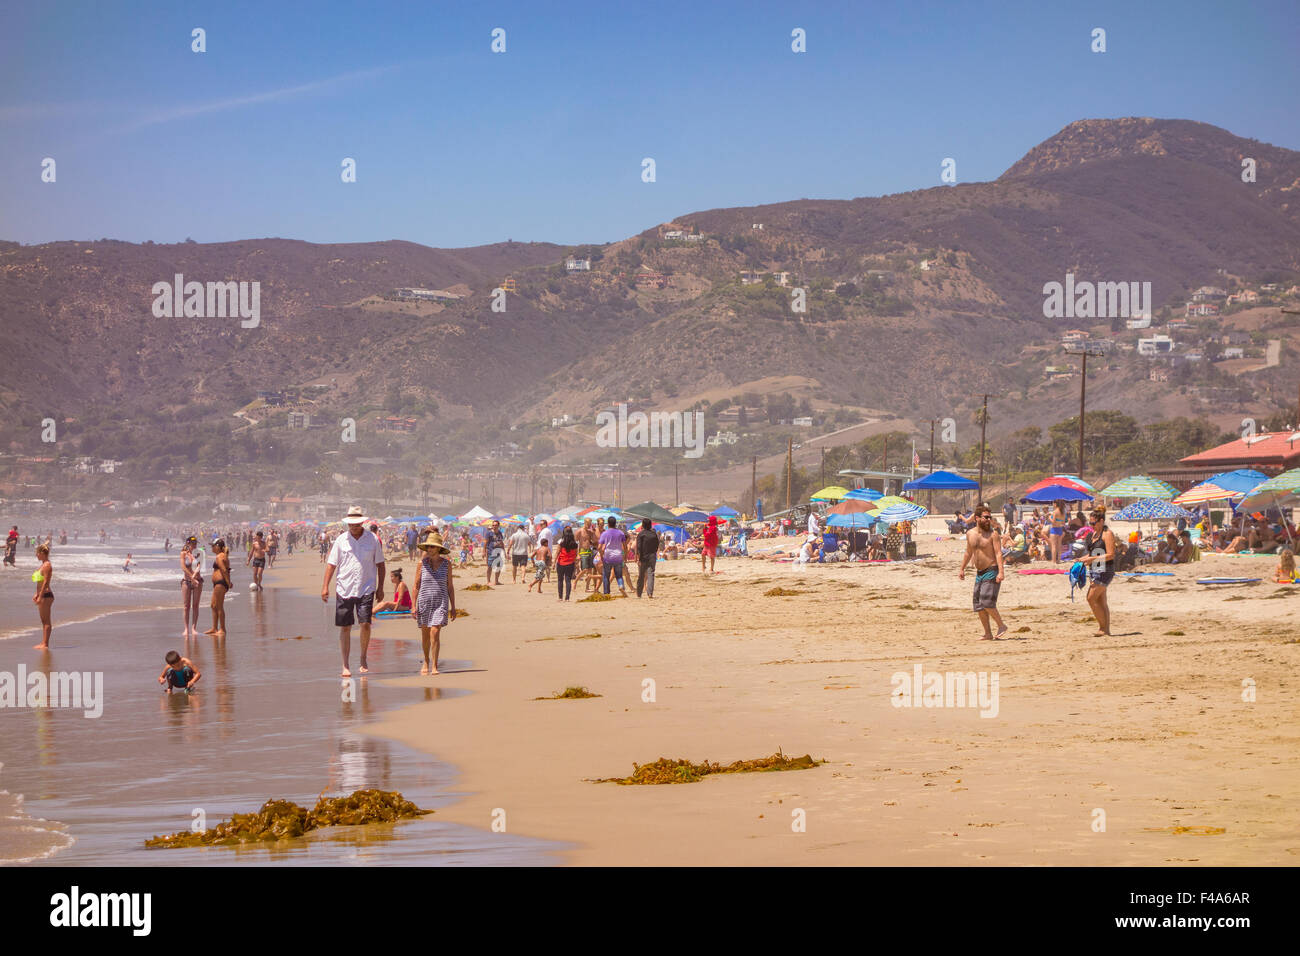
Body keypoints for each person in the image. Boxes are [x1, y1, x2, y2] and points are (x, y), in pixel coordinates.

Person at [321, 506, 386, 678]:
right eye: (351, 524)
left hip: (366, 587)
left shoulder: (372, 539)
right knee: (345, 627)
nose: (353, 527)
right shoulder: (341, 540)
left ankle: (363, 657)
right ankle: (345, 664)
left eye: (356, 524)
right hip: (344, 588)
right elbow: (331, 564)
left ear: (362, 522)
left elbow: (380, 564)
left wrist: (380, 587)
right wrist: (325, 586)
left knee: (365, 623)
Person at [957, 507, 1007, 640]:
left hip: (992, 569)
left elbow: (998, 553)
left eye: (989, 517)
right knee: (978, 605)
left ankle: (1001, 625)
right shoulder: (970, 534)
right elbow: (968, 552)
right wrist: (962, 568)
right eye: (985, 517)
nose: (988, 520)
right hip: (979, 572)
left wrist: (1001, 572)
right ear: (977, 518)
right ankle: (988, 633)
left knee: (986, 602)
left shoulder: (993, 534)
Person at [411, 531, 455, 676]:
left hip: (440, 602)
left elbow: (450, 586)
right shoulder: (421, 564)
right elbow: (416, 585)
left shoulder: (447, 564)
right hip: (424, 603)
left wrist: (453, 607)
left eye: (432, 547)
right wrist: (412, 606)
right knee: (425, 635)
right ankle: (426, 661)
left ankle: (435, 665)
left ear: (439, 549)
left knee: (435, 632)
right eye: (428, 547)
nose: (429, 549)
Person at [1082, 506, 1117, 637]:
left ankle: (1103, 628)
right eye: (1090, 523)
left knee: (1091, 598)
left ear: (1101, 521)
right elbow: (1091, 554)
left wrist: (1092, 558)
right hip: (1094, 569)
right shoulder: (1092, 535)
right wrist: (1082, 559)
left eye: (1093, 523)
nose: (1092, 526)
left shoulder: (1107, 534)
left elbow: (1111, 554)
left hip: (1105, 570)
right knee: (1101, 601)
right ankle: (1105, 630)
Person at [206, 539, 232, 637]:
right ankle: (214, 628)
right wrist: (229, 581)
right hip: (218, 583)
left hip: (221, 583)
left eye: (213, 546)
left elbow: (224, 570)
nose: (212, 547)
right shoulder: (222, 556)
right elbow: (227, 570)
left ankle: (222, 629)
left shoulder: (219, 556)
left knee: (219, 606)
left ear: (218, 546)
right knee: (213, 605)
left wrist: (228, 582)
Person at [31, 543, 54, 650]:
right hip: (42, 594)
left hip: (46, 595)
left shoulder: (47, 565)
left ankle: (45, 644)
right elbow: (39, 583)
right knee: (43, 621)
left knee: (46, 621)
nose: (36, 555)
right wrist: (37, 594)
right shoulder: (43, 564)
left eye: (37, 553)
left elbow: (45, 583)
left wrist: (40, 596)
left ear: (42, 553)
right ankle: (43, 642)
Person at [180, 536, 203, 640]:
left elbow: (199, 566)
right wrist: (191, 577)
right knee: (186, 606)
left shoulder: (198, 553)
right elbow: (183, 567)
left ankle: (194, 628)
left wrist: (194, 577)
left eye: (195, 543)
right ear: (188, 543)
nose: (195, 545)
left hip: (197, 581)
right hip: (186, 581)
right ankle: (186, 628)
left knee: (195, 605)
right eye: (193, 543)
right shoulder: (183, 554)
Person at [598, 516, 627, 596]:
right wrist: (625, 556)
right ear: (615, 524)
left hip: (608, 557)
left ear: (608, 524)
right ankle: (621, 586)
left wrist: (601, 555)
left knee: (606, 575)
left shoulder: (605, 533)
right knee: (619, 575)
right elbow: (625, 546)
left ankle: (607, 593)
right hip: (618, 556)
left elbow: (599, 547)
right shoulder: (621, 533)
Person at [634, 518, 660, 598]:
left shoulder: (641, 534)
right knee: (651, 574)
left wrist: (638, 557)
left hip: (643, 557)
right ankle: (650, 593)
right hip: (652, 556)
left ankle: (639, 594)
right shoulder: (654, 534)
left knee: (641, 575)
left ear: (643, 525)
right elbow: (657, 545)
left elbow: (638, 547)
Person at [555, 527, 578, 601]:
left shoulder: (561, 541)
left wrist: (553, 562)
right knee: (568, 580)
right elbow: (575, 554)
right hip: (570, 563)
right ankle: (567, 598)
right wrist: (575, 564)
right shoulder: (575, 544)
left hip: (561, 563)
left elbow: (557, 552)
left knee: (560, 580)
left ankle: (560, 597)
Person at [577, 519, 599, 592]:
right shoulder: (580, 531)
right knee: (584, 570)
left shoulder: (590, 532)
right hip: (582, 552)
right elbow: (576, 543)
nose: (589, 526)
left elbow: (594, 541)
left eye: (590, 524)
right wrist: (577, 554)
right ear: (585, 523)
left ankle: (587, 587)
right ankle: (575, 582)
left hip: (589, 551)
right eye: (588, 524)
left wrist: (593, 532)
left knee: (590, 570)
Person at [483, 519, 505, 585]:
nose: (494, 526)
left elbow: (501, 542)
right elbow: (486, 543)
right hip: (491, 552)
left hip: (499, 552)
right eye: (493, 525)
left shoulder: (500, 533)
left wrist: (504, 551)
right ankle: (488, 581)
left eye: (495, 525)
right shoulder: (488, 533)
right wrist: (483, 551)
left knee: (498, 567)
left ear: (498, 526)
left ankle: (496, 581)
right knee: (489, 567)